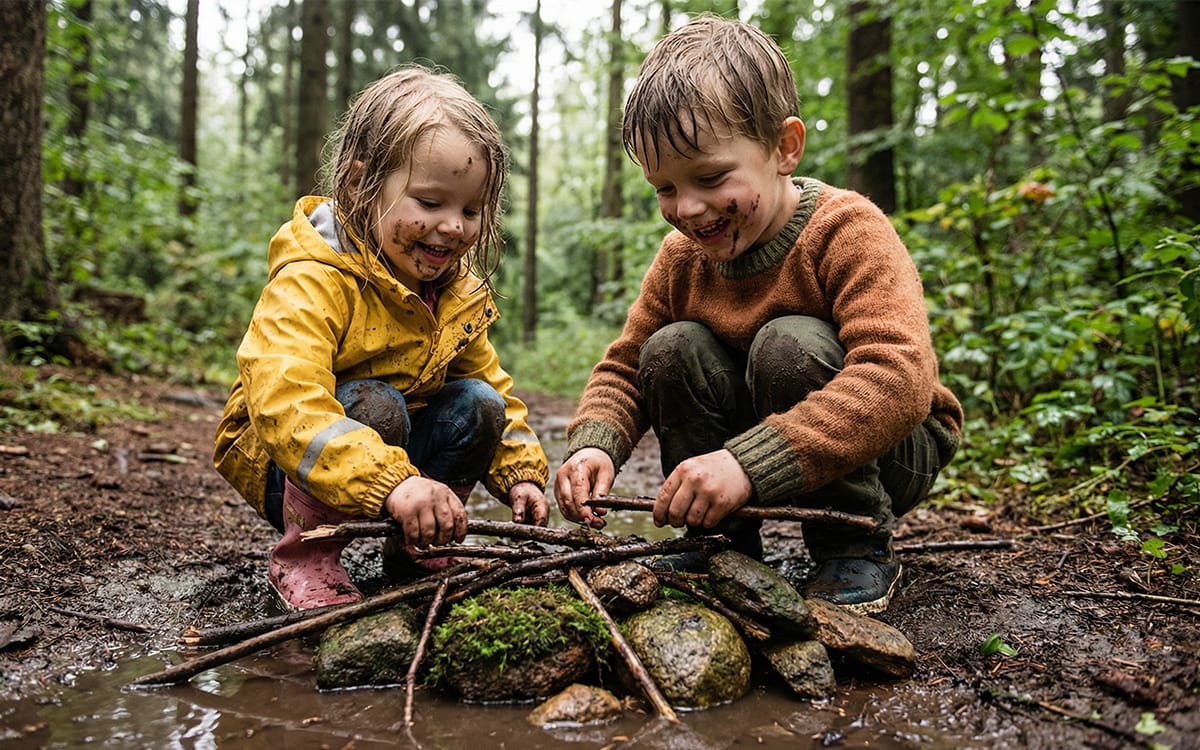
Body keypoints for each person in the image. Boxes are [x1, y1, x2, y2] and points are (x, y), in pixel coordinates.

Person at [554, 16, 963, 615]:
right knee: (669, 348)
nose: (687, 208)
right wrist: (595, 446)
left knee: (788, 344)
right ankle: (719, 542)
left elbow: (900, 377)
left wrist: (747, 462)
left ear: (784, 148)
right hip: (766, 439)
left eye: (711, 177)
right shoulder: (681, 260)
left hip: (892, 447)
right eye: (663, 188)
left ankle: (853, 543)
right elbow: (624, 367)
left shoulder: (846, 230)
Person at [214, 66, 549, 611]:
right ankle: (306, 557)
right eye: (430, 202)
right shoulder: (315, 275)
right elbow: (285, 400)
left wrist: (521, 475)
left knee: (480, 405)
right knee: (376, 404)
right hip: (287, 460)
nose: (454, 227)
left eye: (470, 209)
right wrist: (393, 483)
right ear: (359, 185)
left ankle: (421, 543)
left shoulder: (450, 289)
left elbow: (488, 380)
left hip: (393, 464)